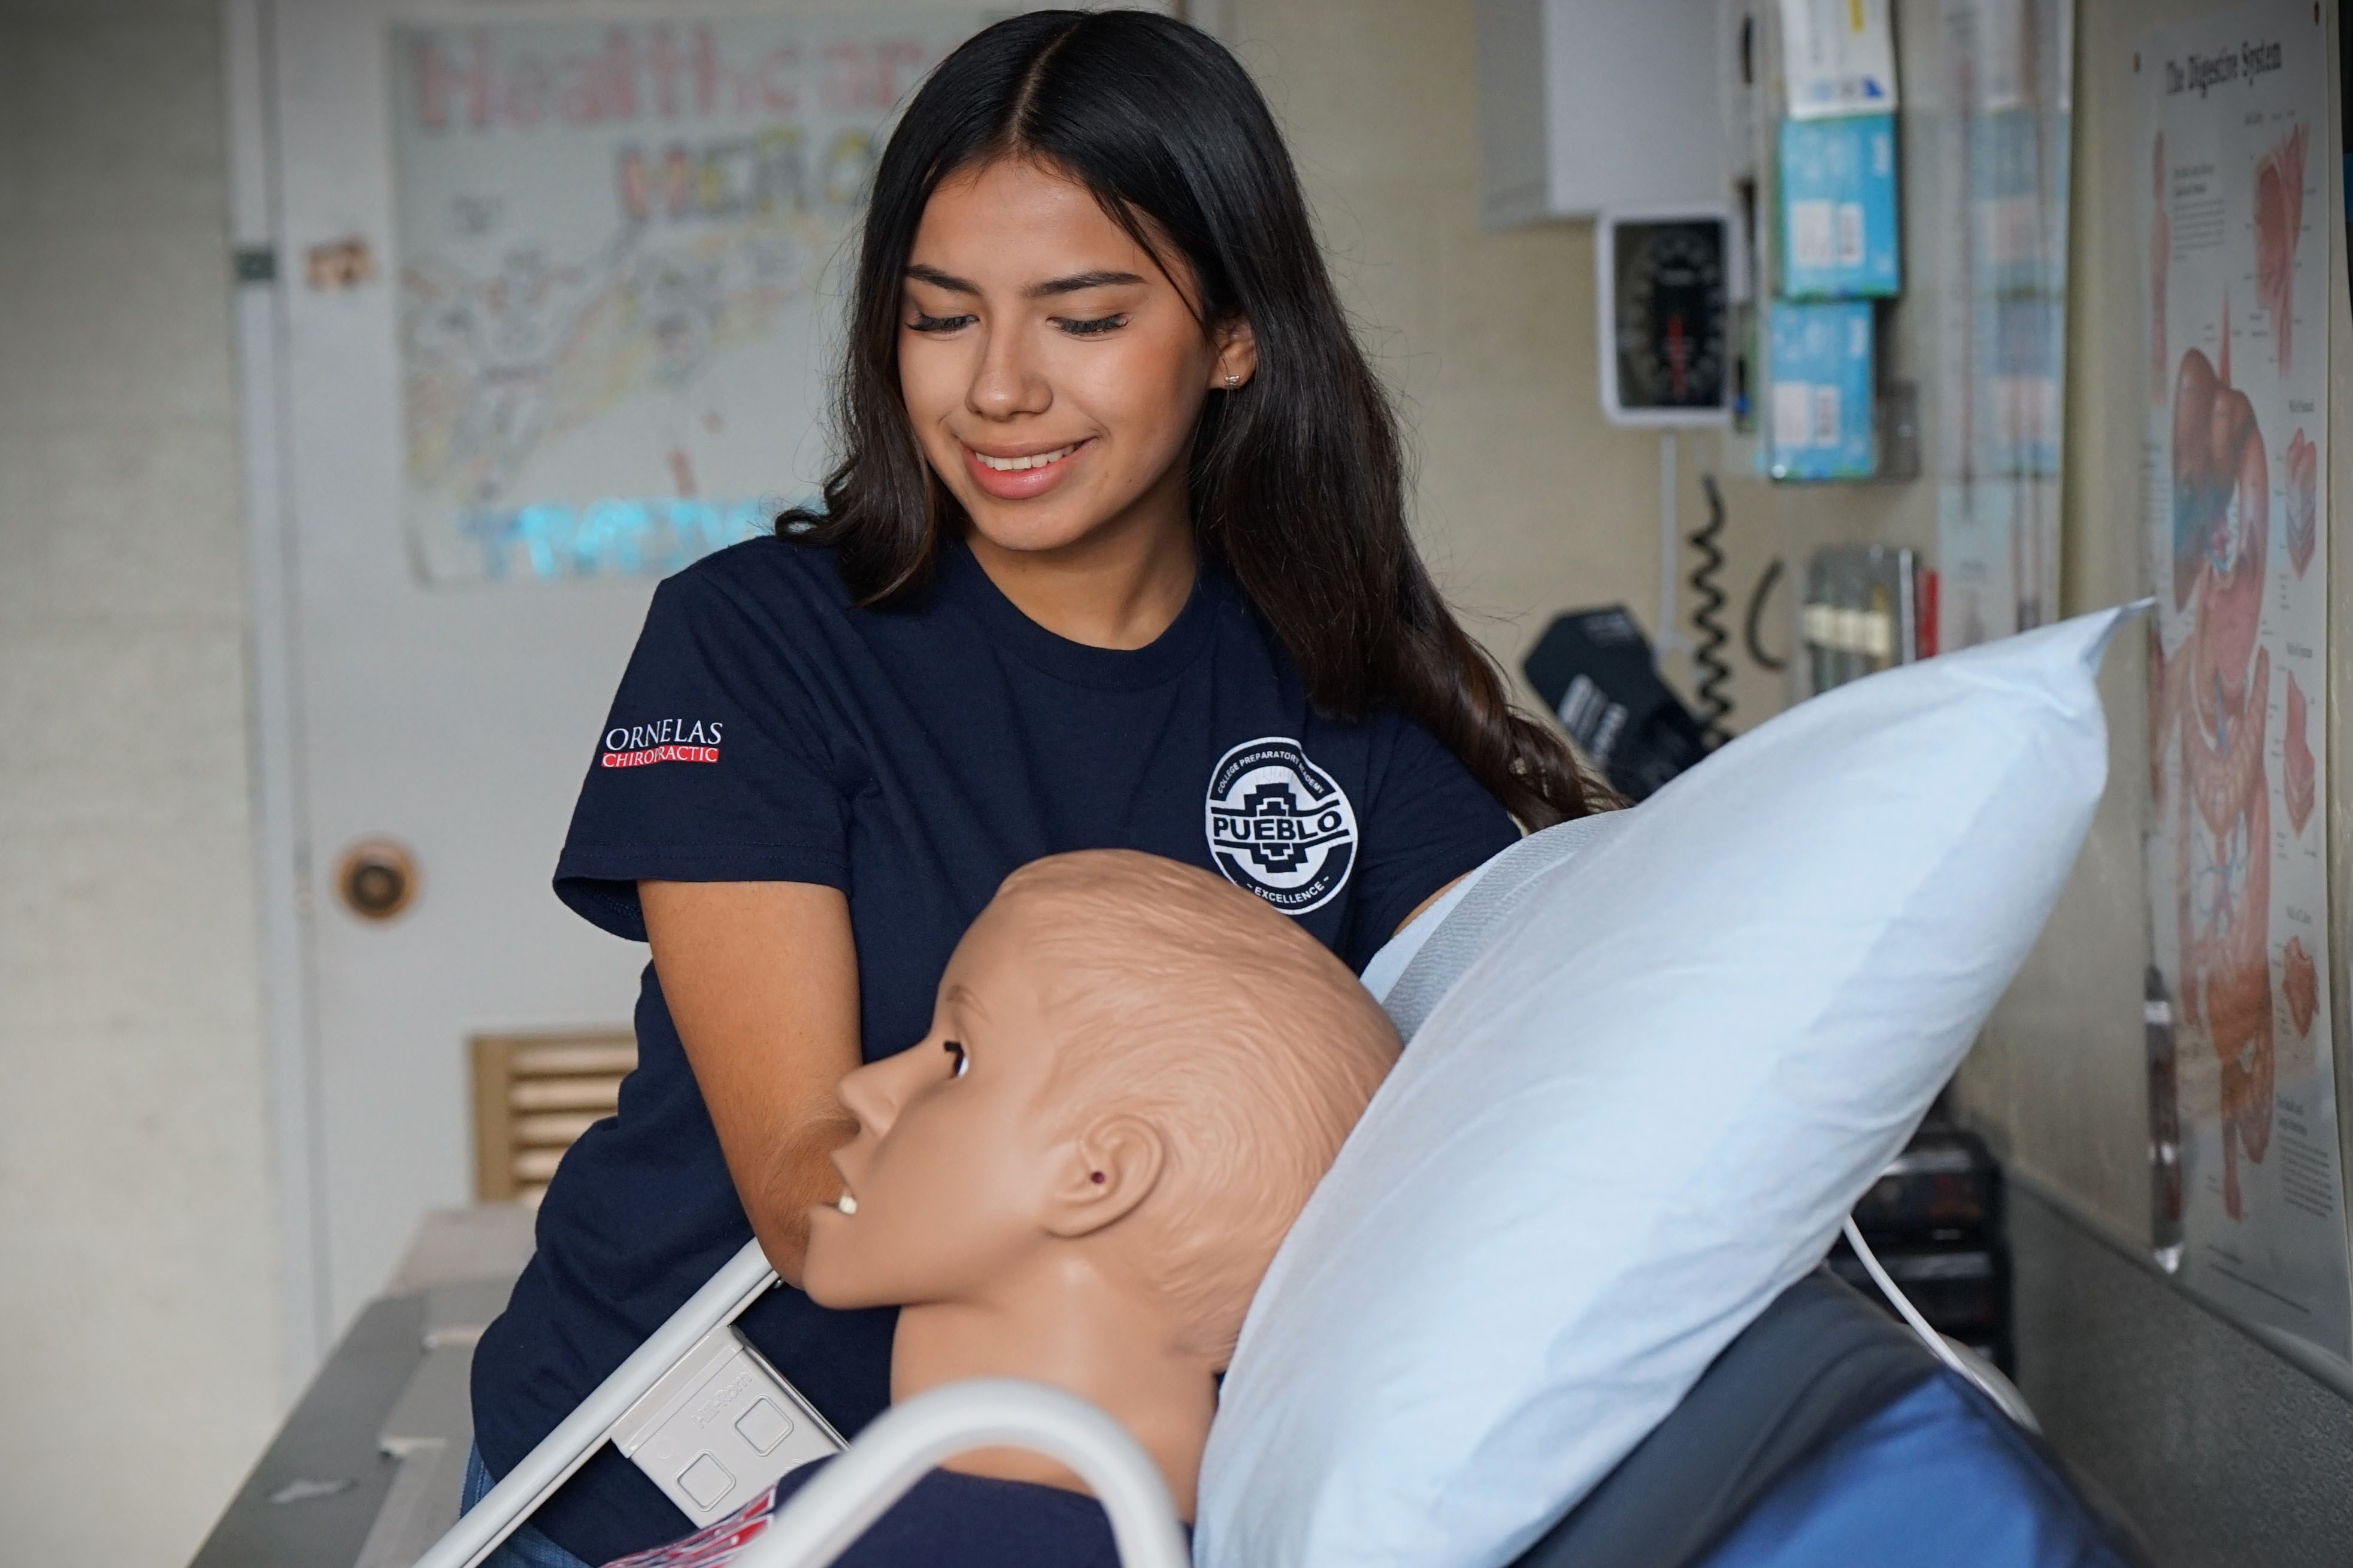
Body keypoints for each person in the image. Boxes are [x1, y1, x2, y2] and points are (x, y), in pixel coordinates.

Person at [465, 11, 1598, 1565]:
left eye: (1081, 316)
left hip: (1089, 1518)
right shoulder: (759, 645)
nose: (999, 388)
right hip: (658, 1492)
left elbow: (1504, 1131)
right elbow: (816, 1199)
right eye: (941, 318)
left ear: (1232, 333)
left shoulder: (1343, 699)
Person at [599, 850, 1401, 1567]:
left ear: (1098, 1175)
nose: (863, 1091)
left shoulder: (1001, 1543)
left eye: (959, 1056)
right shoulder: (940, 1499)